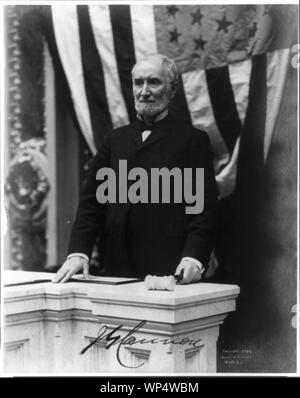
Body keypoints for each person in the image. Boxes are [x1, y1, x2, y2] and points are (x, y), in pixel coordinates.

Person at [53, 54, 218, 284]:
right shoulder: (115, 140)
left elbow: (202, 211)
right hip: (117, 267)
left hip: (170, 271)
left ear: (172, 89)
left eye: (154, 82)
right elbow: (92, 204)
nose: (144, 90)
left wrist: (194, 258)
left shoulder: (192, 141)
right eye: (138, 82)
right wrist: (79, 253)